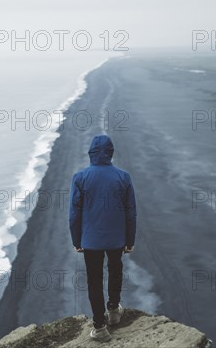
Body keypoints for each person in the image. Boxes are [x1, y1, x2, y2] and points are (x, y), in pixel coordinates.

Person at [69, 134, 137, 342]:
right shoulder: (124, 177)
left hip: (90, 240)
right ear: (110, 153)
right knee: (116, 270)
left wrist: (76, 240)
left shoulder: (80, 177)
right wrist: (130, 240)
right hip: (117, 238)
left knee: (94, 280)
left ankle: (99, 327)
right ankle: (114, 311)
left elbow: (74, 214)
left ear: (91, 153)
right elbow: (131, 212)